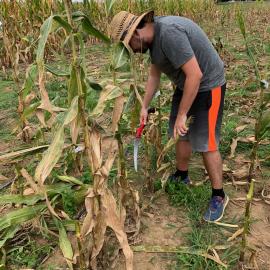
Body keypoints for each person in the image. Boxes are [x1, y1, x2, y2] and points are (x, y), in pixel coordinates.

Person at [109, 11, 228, 222]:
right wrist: (144, 107)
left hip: (208, 84)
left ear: (136, 33)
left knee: (205, 142)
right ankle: (182, 175)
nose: (134, 51)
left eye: (131, 45)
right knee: (179, 132)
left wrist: (183, 113)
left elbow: (196, 75)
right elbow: (154, 75)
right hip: (187, 84)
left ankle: (219, 195)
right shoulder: (153, 40)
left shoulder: (169, 34)